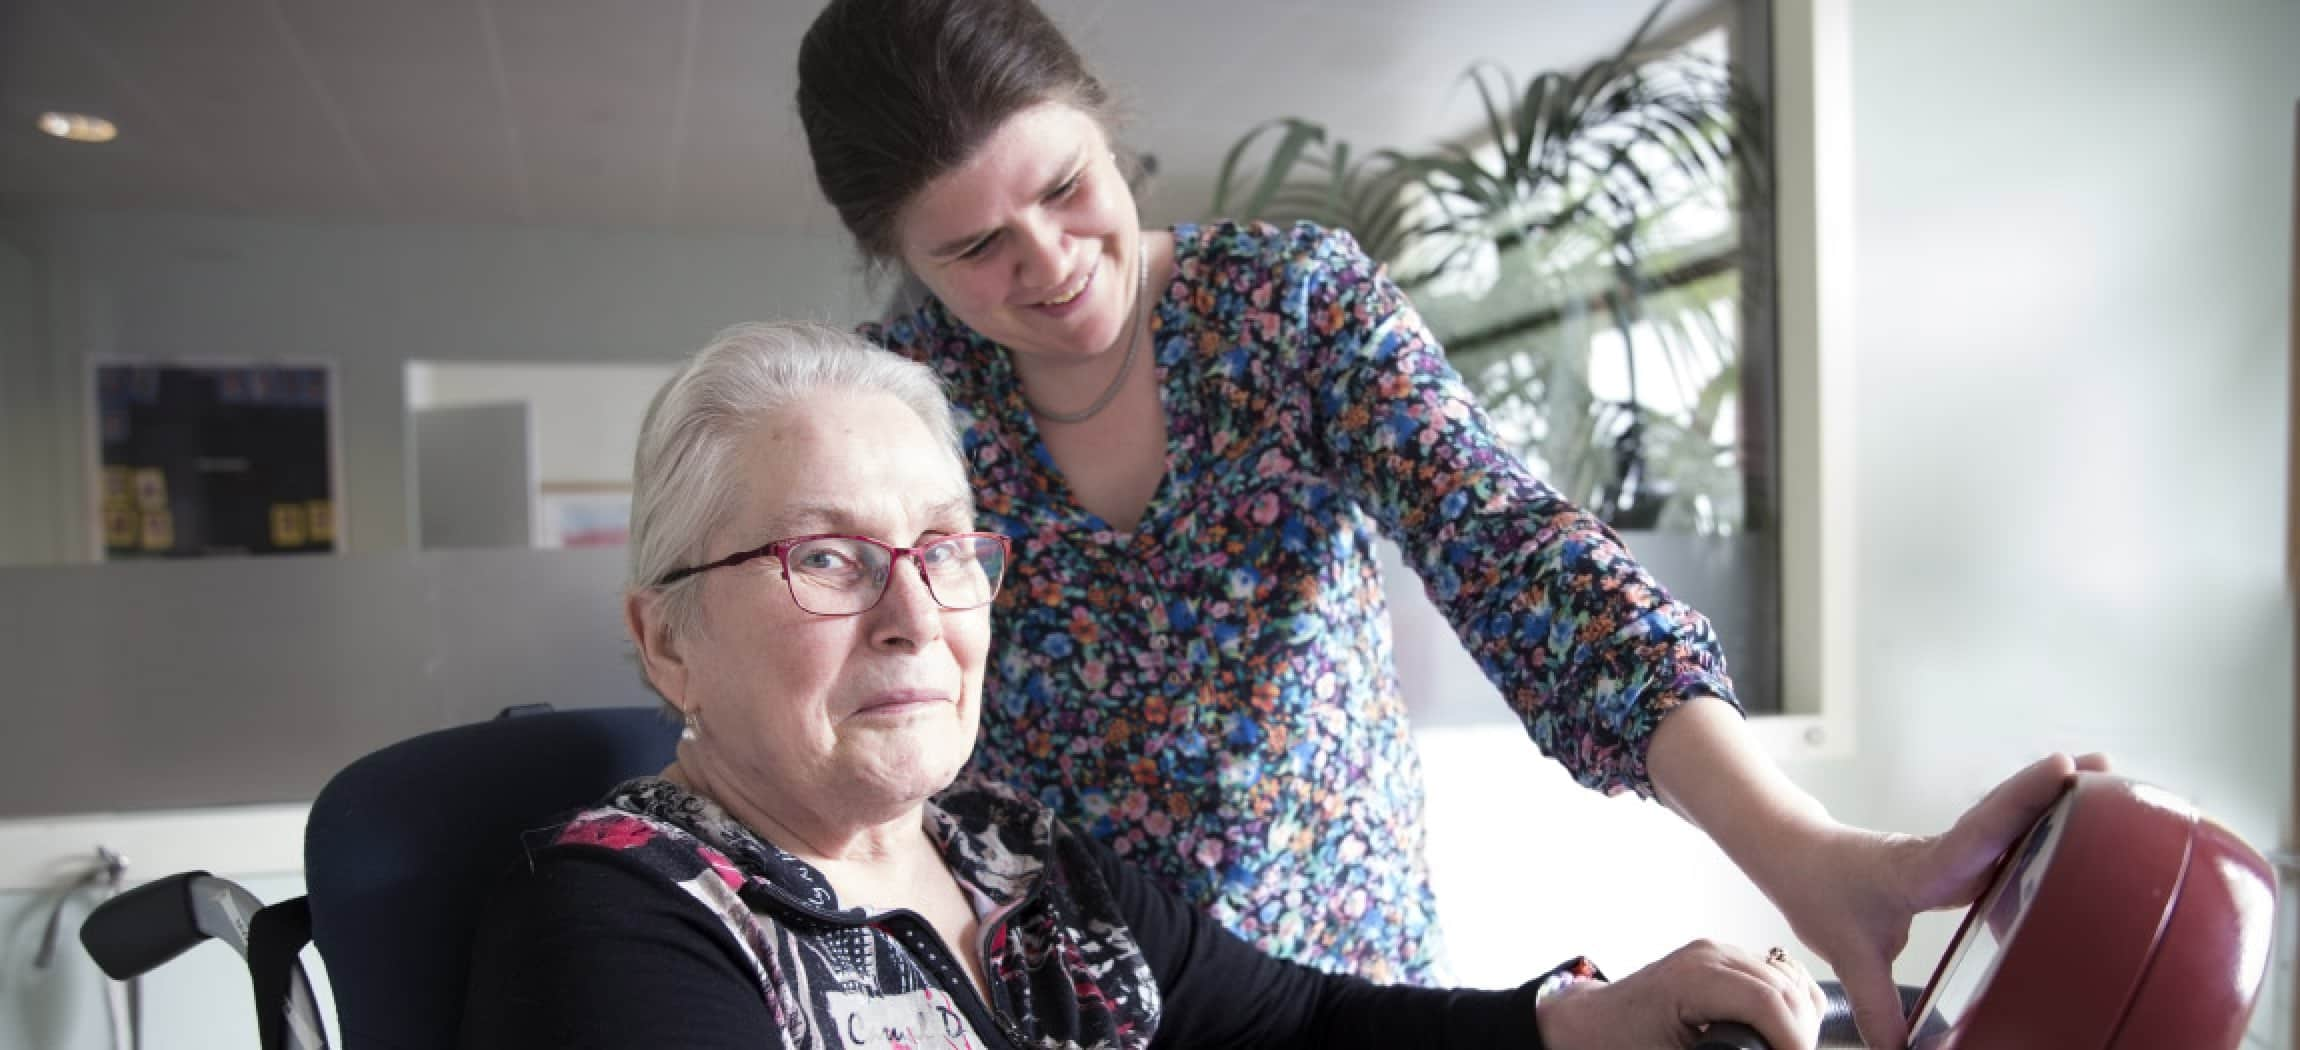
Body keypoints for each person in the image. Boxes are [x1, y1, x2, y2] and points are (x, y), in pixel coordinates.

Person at [794, 2, 2107, 1045]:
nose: (1049, 257)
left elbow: (1519, 560)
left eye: (1066, 185)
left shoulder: (1294, 311)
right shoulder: (903, 406)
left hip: (1349, 992)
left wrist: (1801, 848)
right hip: (1060, 996)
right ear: (902, 258)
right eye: (975, 248)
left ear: (1100, 117)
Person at [456, 322, 1830, 1050]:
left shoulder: (1024, 865)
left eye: (943, 546)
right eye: (827, 556)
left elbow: (1304, 1022)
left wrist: (1585, 1020)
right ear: (667, 638)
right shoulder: (609, 922)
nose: (913, 612)